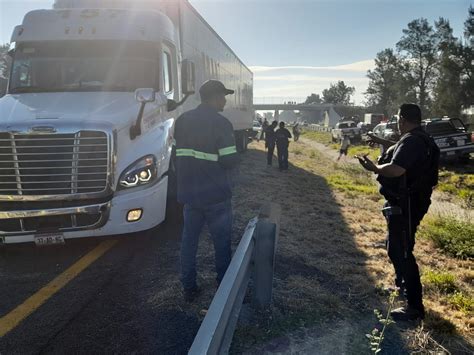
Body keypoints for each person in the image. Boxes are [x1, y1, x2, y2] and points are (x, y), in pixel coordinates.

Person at [356, 103, 439, 321]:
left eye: (398, 119)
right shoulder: (421, 138)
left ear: (402, 119)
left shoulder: (412, 141)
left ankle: (414, 307)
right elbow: (403, 150)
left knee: (401, 250)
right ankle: (402, 286)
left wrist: (374, 168)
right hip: (412, 202)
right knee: (396, 246)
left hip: (407, 205)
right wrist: (384, 143)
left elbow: (396, 169)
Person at [174, 80, 239, 302]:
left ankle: (189, 288)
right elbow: (229, 160)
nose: (225, 100)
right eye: (223, 96)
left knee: (189, 242)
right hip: (216, 195)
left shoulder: (182, 120)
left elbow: (179, 156)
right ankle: (223, 287)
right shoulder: (221, 123)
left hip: (190, 195)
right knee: (221, 243)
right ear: (213, 97)